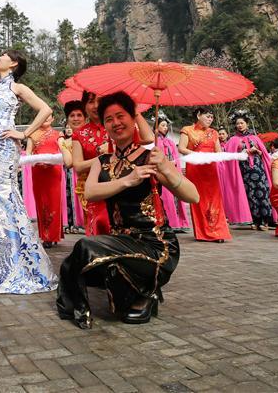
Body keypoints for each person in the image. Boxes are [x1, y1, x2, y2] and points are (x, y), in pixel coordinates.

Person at [57, 92, 199, 329]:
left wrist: (166, 167)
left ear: (134, 119)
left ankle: (147, 290)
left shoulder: (150, 158)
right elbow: (91, 192)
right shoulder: (102, 161)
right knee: (87, 263)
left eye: (121, 116)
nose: (116, 123)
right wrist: (128, 180)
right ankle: (145, 292)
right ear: (104, 126)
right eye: (109, 119)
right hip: (123, 242)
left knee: (85, 247)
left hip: (156, 246)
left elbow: (193, 196)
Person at [0, 22, 57, 294]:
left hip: (5, 150)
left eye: (2, 56)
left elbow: (45, 108)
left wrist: (23, 132)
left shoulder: (17, 88)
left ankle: (3, 267)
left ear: (13, 64)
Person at [179, 108, 232, 242]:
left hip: (211, 168)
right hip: (195, 168)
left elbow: (218, 151)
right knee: (199, 199)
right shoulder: (187, 130)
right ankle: (204, 233)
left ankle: (217, 232)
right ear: (198, 115)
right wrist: (197, 154)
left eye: (211, 117)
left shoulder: (213, 132)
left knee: (215, 199)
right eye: (207, 116)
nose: (210, 119)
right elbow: (181, 148)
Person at [222, 113, 276, 230]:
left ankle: (266, 220)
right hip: (244, 172)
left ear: (246, 124)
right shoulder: (233, 140)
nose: (240, 125)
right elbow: (231, 157)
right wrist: (245, 152)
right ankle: (255, 220)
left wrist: (257, 151)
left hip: (258, 169)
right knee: (250, 194)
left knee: (263, 192)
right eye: (237, 124)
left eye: (242, 123)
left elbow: (264, 154)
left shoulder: (255, 138)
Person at [71, 91, 112, 236]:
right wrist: (103, 156)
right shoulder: (79, 134)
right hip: (93, 190)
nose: (95, 106)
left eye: (99, 101)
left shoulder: (117, 126)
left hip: (117, 187)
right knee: (97, 231)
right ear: (84, 105)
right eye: (90, 102)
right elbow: (78, 166)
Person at [25, 117, 69, 248]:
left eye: (49, 116)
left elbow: (64, 150)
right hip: (38, 171)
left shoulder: (58, 134)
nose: (46, 119)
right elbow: (28, 152)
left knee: (54, 202)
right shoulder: (32, 134)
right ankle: (47, 236)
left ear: (53, 118)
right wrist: (33, 160)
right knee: (42, 202)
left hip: (54, 171)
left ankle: (53, 235)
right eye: (44, 116)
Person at [155, 116, 191, 232]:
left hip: (173, 172)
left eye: (166, 126)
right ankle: (170, 222)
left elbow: (176, 157)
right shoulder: (155, 142)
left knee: (175, 196)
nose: (165, 128)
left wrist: (174, 162)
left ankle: (179, 222)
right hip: (163, 174)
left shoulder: (170, 142)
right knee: (166, 198)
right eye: (162, 125)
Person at [61, 100, 87, 233]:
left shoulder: (92, 134)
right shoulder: (66, 141)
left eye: (79, 115)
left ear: (85, 117)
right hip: (81, 184)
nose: (76, 119)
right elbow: (69, 163)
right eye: (72, 116)